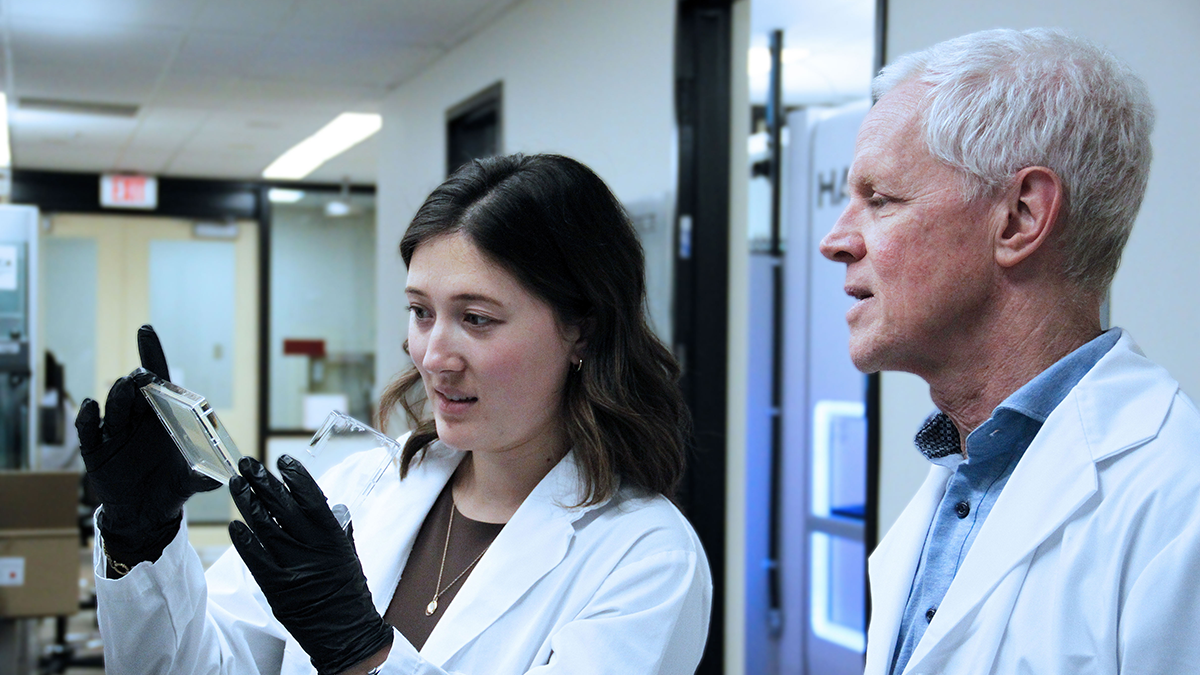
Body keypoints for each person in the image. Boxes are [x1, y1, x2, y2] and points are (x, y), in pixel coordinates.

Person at [76, 153, 712, 675]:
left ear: (582, 329)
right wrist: (145, 538)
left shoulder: (645, 556)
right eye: (421, 312)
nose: (433, 356)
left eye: (478, 319)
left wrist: (363, 653)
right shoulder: (359, 486)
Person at [819, 28, 1200, 675]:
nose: (835, 241)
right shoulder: (961, 473)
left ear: (1020, 218)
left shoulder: (1176, 502)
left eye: (879, 200)